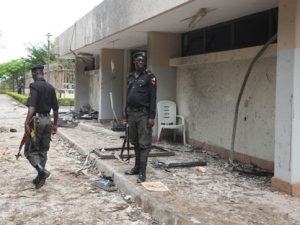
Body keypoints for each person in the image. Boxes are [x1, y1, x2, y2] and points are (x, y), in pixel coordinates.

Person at [24, 65, 59, 189]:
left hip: (37, 122)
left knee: (30, 150)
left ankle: (42, 171)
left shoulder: (34, 86)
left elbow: (32, 106)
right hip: (48, 121)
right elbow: (56, 108)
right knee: (43, 150)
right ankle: (40, 177)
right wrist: (55, 124)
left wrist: (27, 122)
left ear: (34, 74)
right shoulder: (50, 87)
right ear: (42, 73)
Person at [124, 52, 157, 183]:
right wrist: (126, 113)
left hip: (144, 114)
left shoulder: (150, 77)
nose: (140, 62)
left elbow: (153, 97)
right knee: (135, 142)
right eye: (138, 60)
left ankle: (143, 172)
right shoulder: (131, 76)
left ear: (145, 62)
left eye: (142, 60)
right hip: (131, 114)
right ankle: (136, 167)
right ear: (134, 62)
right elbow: (128, 95)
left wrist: (151, 116)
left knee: (144, 144)